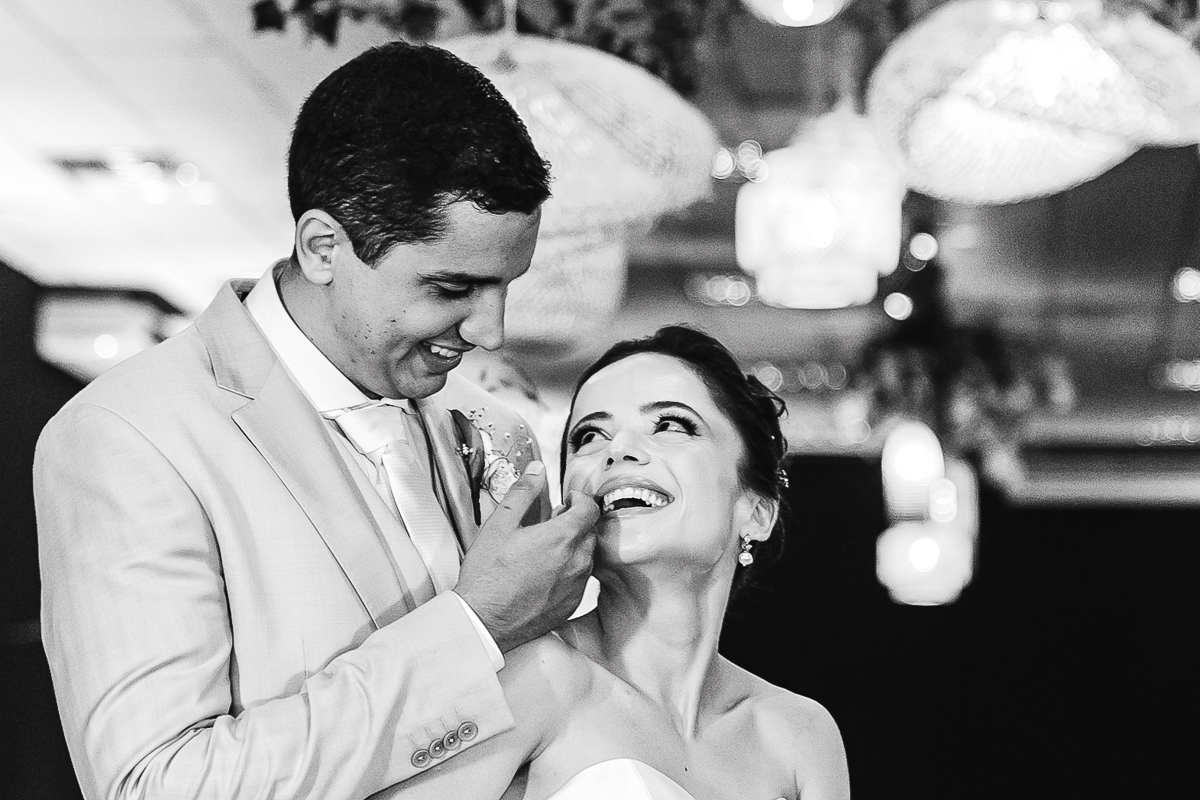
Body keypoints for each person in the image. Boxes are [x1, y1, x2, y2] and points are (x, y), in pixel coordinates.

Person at [34, 41, 599, 800]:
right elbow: (159, 785)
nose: (491, 332)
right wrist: (474, 628)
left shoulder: (493, 427)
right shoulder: (129, 436)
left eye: (507, 285)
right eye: (451, 287)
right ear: (324, 247)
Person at [400, 325, 851, 800]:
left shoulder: (799, 735)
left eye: (671, 425)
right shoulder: (531, 679)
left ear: (756, 512)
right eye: (589, 436)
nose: (618, 451)